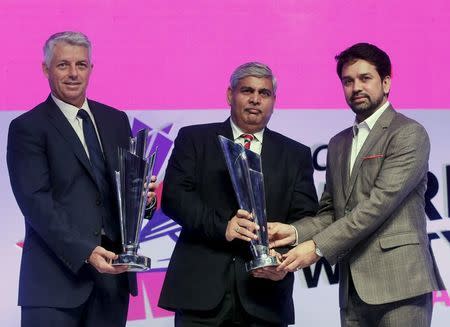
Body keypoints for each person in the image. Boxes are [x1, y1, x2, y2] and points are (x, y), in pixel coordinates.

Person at [269, 43, 445, 326]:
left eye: (365, 78)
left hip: (401, 284)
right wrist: (292, 232)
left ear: (386, 83)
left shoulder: (408, 133)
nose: (356, 88)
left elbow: (378, 205)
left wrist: (317, 247)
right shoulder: (339, 143)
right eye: (348, 81)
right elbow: (330, 211)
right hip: (352, 289)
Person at [7, 31, 156, 327]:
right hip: (54, 285)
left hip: (111, 281)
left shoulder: (116, 120)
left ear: (91, 69)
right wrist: (86, 252)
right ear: (45, 69)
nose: (74, 74)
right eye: (63, 65)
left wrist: (143, 200)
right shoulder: (27, 127)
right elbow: (37, 204)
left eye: (82, 65)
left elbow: (123, 195)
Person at [158, 62, 318, 326]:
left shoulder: (295, 154)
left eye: (264, 93)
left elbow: (305, 218)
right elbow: (175, 198)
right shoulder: (194, 139)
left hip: (265, 297)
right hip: (200, 293)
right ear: (230, 95)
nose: (255, 99)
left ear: (274, 101)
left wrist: (283, 259)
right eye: (247, 91)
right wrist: (224, 227)